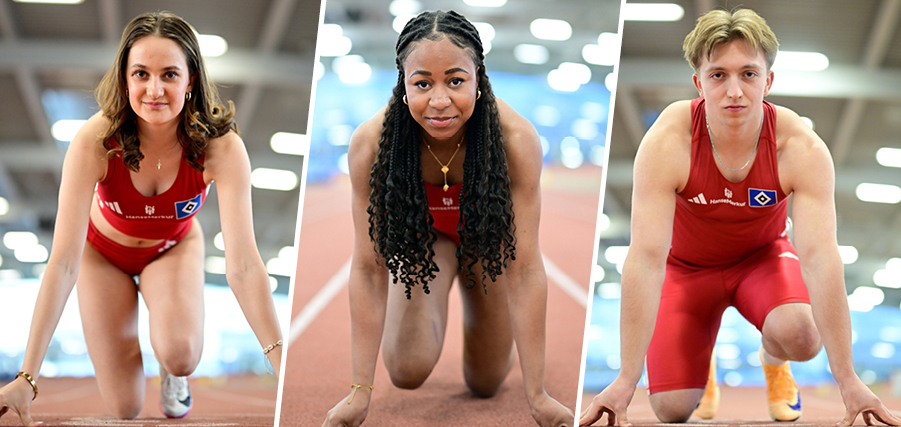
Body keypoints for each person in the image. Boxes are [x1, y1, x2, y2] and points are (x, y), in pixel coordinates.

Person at [579, 8, 901, 427]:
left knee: (802, 337)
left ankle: (774, 362)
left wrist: (848, 379)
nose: (734, 91)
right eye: (718, 75)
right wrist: (626, 378)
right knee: (671, 409)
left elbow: (822, 258)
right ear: (699, 83)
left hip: (761, 260)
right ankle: (701, 360)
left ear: (768, 81)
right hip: (685, 268)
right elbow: (644, 257)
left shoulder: (800, 149)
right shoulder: (668, 142)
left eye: (748, 74)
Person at [0, 11, 283, 425]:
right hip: (102, 256)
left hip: (172, 249)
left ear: (191, 82)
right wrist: (27, 376)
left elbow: (242, 264)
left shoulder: (221, 148)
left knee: (181, 353)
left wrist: (280, 359)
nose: (154, 89)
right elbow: (62, 262)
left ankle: (173, 372)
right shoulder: (94, 142)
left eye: (169, 74)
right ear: (124, 81)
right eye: (141, 74)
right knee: (125, 407)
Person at [320, 10, 574, 427]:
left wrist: (538, 394)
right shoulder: (372, 146)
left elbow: (525, 268)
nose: (439, 101)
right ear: (403, 85)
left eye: (456, 81)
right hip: (425, 243)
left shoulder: (515, 141)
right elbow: (368, 269)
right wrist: (358, 392)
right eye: (422, 84)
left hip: (485, 241)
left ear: (479, 80)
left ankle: (497, 338)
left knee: (487, 382)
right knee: (405, 370)